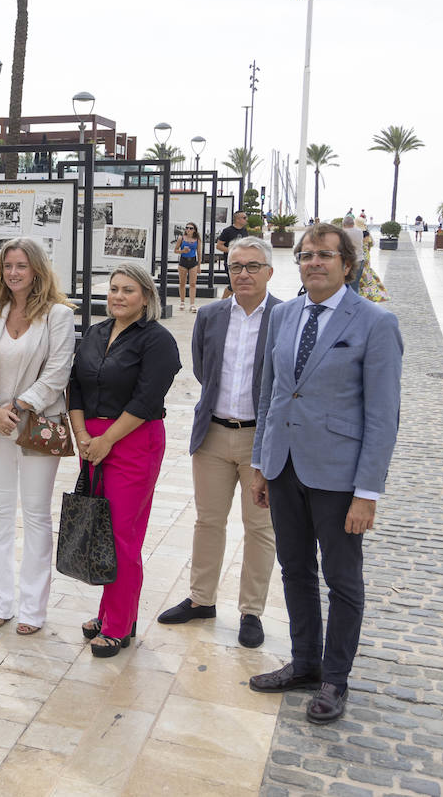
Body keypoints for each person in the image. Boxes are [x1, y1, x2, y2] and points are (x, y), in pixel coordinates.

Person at [248, 222, 404, 724]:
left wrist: (367, 492)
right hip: (284, 466)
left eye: (324, 255)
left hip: (338, 476)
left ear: (347, 263)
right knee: (294, 570)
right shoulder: (284, 314)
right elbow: (270, 394)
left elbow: (383, 415)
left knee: (342, 580)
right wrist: (260, 463)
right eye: (306, 255)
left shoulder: (375, 323)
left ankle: (335, 679)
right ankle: (305, 663)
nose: (313, 262)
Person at [157, 237, 278, 648]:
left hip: (260, 440)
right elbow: (203, 368)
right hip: (212, 434)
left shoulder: (285, 316)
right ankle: (201, 599)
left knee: (259, 527)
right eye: (236, 266)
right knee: (208, 521)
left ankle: (251, 612)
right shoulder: (209, 316)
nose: (243, 273)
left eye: (252, 266)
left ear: (269, 272)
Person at [68, 264, 181, 657]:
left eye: (128, 290)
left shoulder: (157, 341)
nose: (118, 296)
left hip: (133, 442)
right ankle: (114, 612)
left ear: (146, 297)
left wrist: (105, 441)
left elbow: (147, 400)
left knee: (122, 535)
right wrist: (83, 436)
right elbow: (75, 387)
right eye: (113, 289)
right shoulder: (96, 334)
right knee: (102, 528)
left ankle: (118, 626)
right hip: (92, 443)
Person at [0, 238, 75, 635]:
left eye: (22, 266)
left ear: (37, 270)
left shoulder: (58, 316)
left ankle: (32, 608)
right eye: (8, 265)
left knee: (35, 516)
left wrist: (18, 408)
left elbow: (58, 373)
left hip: (36, 428)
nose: (14, 272)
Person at [216, 211, 249, 299]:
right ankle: (222, 302)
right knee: (233, 284)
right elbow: (219, 245)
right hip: (231, 262)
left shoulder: (244, 230)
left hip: (242, 262)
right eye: (244, 218)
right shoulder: (227, 231)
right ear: (237, 219)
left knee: (238, 284)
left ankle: (233, 303)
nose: (246, 219)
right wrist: (232, 251)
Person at [173, 223, 201, 313]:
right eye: (187, 228)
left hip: (193, 261)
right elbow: (175, 250)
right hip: (183, 261)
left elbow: (199, 253)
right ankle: (182, 302)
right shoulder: (181, 238)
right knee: (182, 283)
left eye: (191, 228)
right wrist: (182, 251)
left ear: (194, 230)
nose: (188, 230)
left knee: (193, 283)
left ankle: (192, 304)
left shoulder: (197, 239)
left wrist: (199, 265)